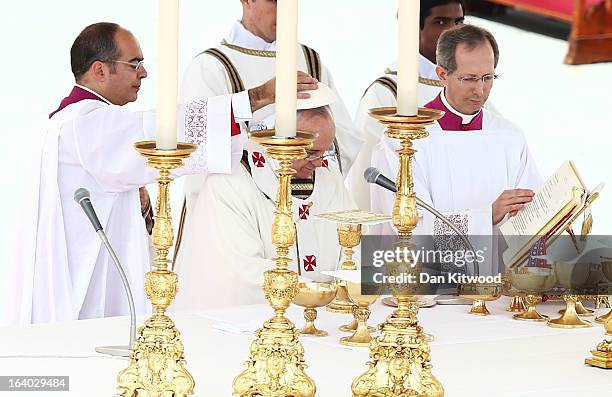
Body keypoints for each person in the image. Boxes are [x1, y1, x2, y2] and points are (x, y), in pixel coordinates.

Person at [2, 22, 316, 326]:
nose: (144, 72)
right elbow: (163, 134)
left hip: (72, 267)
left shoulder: (70, 121)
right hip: (83, 279)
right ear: (100, 70)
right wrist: (258, 96)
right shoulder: (86, 121)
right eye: (134, 63)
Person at [177, 0, 362, 234]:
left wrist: (312, 146)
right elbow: (195, 147)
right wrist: (275, 139)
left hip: (309, 213)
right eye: (275, 1)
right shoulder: (212, 66)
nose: (285, 10)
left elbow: (345, 139)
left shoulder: (310, 60)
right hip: (240, 218)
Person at [370, 25, 542, 271]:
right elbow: (410, 228)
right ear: (442, 74)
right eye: (469, 79)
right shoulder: (403, 140)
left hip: (498, 286)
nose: (480, 91)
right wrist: (487, 215)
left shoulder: (509, 137)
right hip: (428, 285)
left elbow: (532, 216)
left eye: (488, 78)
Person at [173, 93, 357, 310]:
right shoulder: (232, 178)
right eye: (311, 152)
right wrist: (314, 295)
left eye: (326, 153)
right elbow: (239, 271)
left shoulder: (328, 173)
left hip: (327, 319)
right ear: (280, 138)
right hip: (254, 325)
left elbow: (354, 239)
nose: (319, 163)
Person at [349, 0, 469, 210]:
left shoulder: (471, 90)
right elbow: (365, 175)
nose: (453, 32)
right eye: (441, 22)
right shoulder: (387, 92)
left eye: (459, 21)